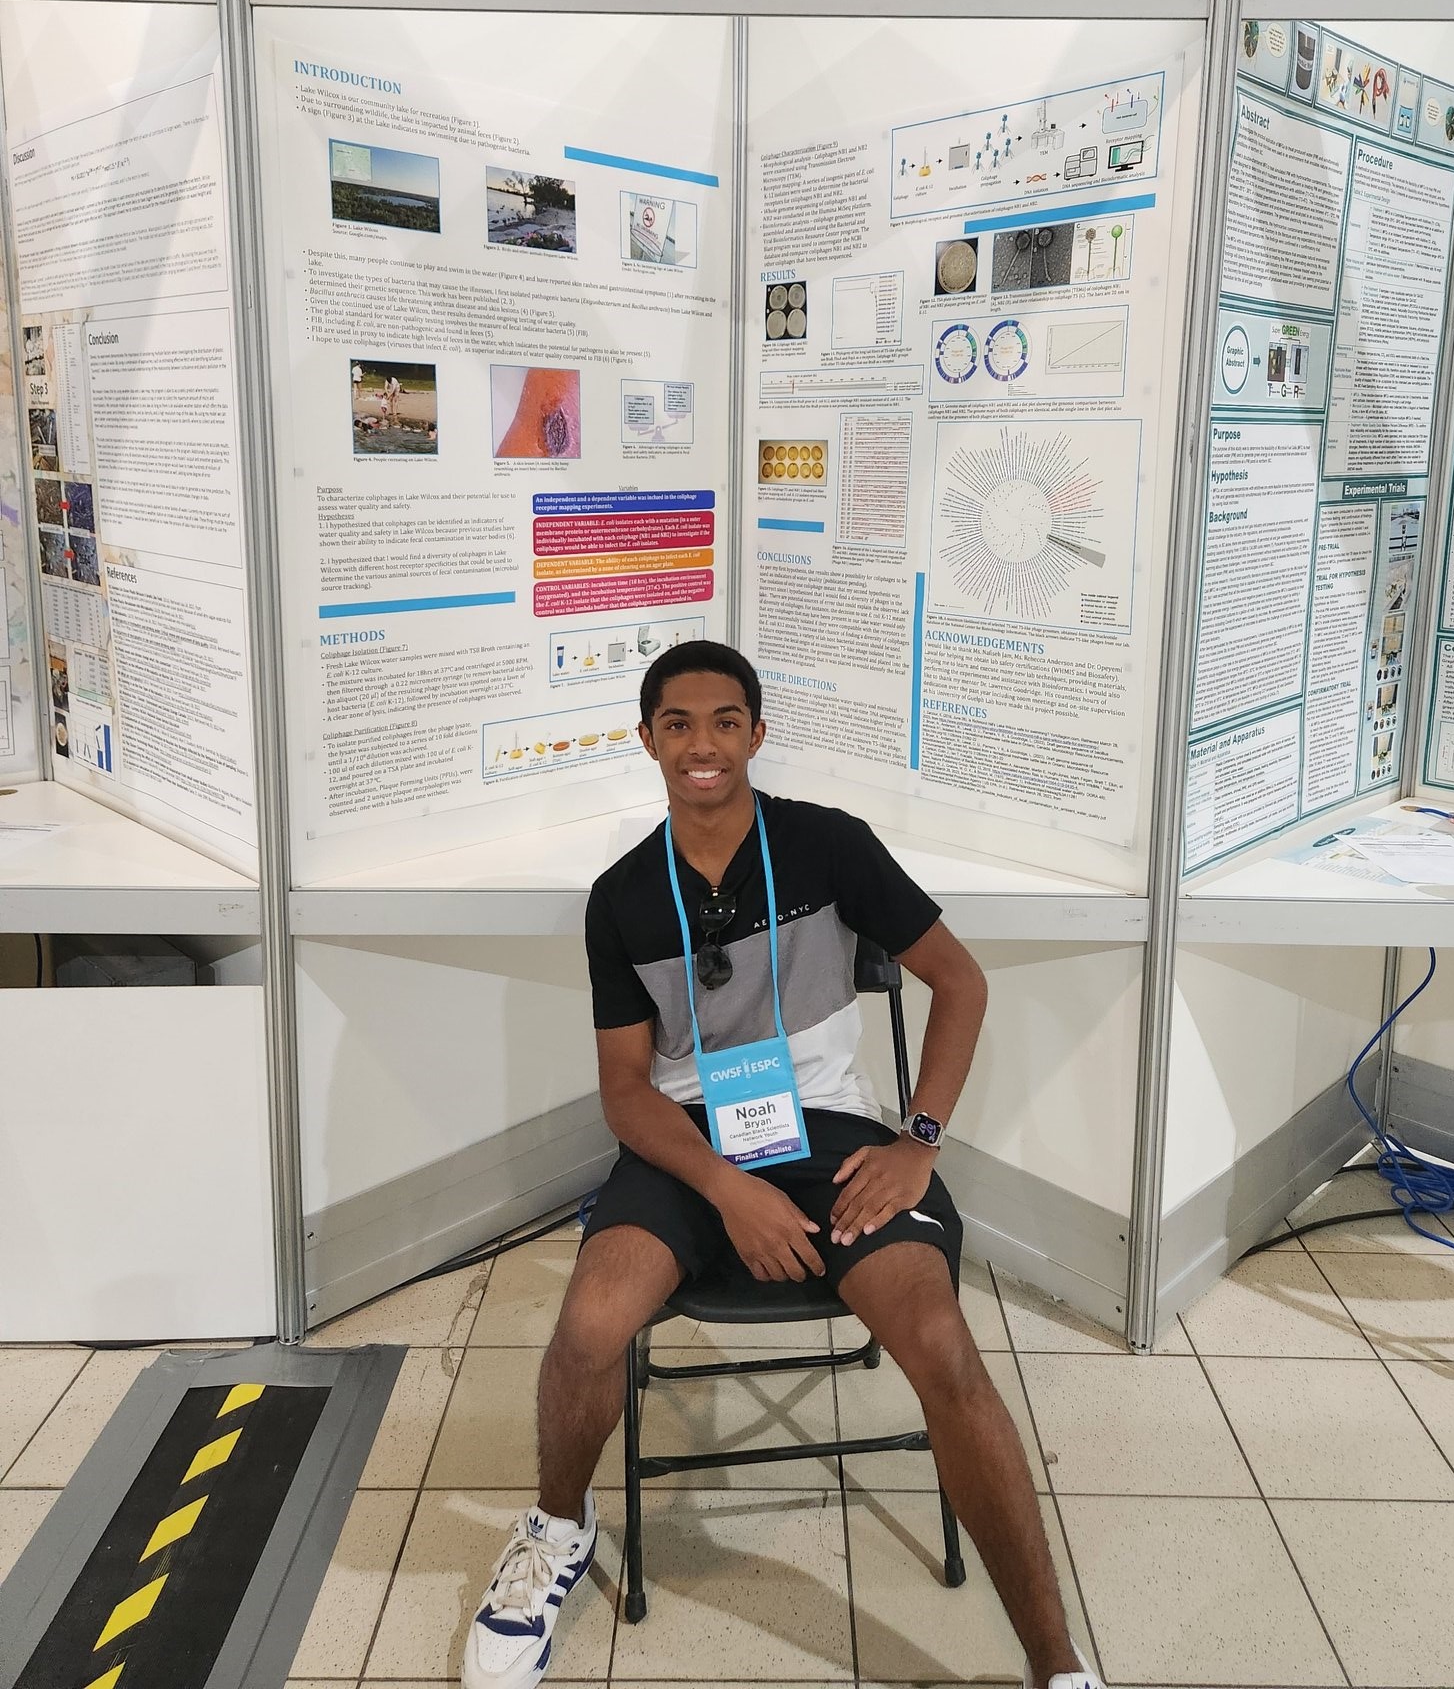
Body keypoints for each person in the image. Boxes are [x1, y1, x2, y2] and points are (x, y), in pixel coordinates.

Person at [463, 640, 1101, 1689]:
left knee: (941, 1344)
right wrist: (726, 1186)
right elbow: (627, 1089)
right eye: (677, 722)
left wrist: (919, 1140)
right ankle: (556, 1530)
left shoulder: (829, 846)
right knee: (587, 1326)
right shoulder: (621, 895)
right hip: (685, 1146)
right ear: (648, 740)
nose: (701, 743)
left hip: (831, 1135)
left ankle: (1058, 1666)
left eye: (724, 720)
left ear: (756, 734)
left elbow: (962, 981)